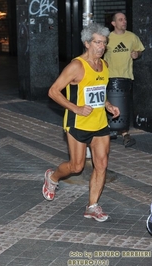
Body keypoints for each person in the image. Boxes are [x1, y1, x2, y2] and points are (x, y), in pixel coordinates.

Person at [42, 23, 120, 222]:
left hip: (100, 124)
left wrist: (108, 105)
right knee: (76, 167)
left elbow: (99, 92)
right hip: (78, 123)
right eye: (97, 42)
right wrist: (75, 108)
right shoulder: (76, 66)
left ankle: (92, 206)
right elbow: (53, 91)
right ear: (87, 43)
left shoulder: (104, 65)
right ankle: (52, 177)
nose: (101, 47)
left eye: (104, 43)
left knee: (101, 165)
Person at [104, 12, 145, 148]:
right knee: (108, 104)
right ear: (113, 23)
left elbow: (139, 50)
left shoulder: (132, 37)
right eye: (120, 20)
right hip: (109, 76)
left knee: (123, 105)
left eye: (125, 19)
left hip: (126, 76)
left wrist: (136, 54)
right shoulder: (107, 38)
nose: (124, 21)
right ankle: (108, 130)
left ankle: (125, 133)